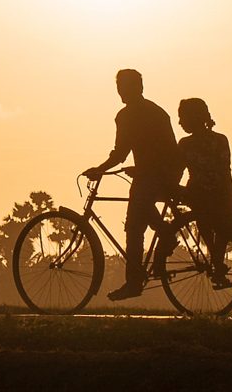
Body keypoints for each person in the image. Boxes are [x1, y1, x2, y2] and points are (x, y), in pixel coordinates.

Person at [83, 69, 182, 301]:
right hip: (158, 172)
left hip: (156, 173)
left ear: (136, 88)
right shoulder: (150, 112)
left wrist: (101, 169)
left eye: (124, 87)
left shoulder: (136, 115)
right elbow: (131, 151)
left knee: (135, 225)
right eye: (120, 87)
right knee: (136, 221)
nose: (121, 92)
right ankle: (163, 237)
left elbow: (124, 153)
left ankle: (135, 281)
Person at [177, 98, 232, 289]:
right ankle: (217, 264)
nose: (180, 122)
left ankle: (217, 264)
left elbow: (177, 170)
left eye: (182, 118)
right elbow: (225, 171)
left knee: (207, 223)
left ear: (192, 118)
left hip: (198, 195)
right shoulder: (220, 140)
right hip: (220, 195)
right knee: (221, 229)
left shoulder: (185, 144)